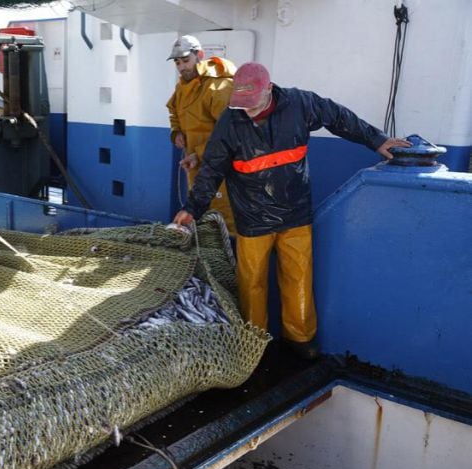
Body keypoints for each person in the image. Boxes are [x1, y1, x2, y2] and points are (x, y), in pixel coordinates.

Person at [173, 62, 410, 359]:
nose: (247, 111)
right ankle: (253, 344)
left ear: (269, 90)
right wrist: (191, 208)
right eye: (241, 104)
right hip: (252, 219)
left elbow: (338, 117)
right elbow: (210, 171)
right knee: (252, 283)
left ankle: (301, 341)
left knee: (298, 276)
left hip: (295, 214)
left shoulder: (300, 104)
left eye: (252, 104)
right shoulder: (229, 123)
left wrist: (378, 140)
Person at [166, 35, 237, 233]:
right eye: (177, 62)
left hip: (221, 170)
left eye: (186, 60)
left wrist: (199, 154)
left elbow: (231, 136)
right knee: (201, 217)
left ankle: (227, 261)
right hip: (196, 165)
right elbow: (174, 110)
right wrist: (176, 131)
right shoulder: (182, 86)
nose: (181, 67)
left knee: (223, 222)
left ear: (200, 56)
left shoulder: (220, 87)